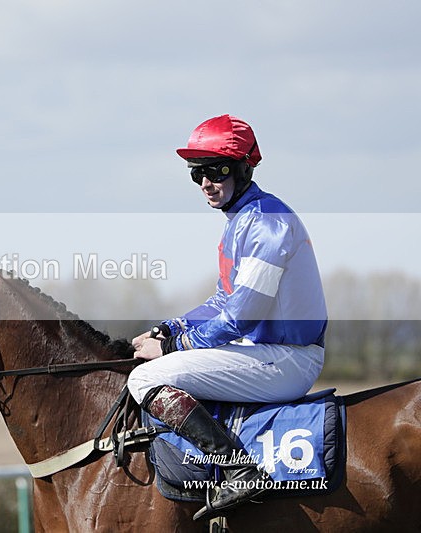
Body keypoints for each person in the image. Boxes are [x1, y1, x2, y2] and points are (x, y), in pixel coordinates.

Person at [128, 114, 327, 521]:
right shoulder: (243, 221)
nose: (205, 183)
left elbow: (241, 316)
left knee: (144, 378)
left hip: (287, 358)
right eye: (197, 173)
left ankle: (239, 467)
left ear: (242, 169)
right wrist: (174, 326)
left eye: (216, 171)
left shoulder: (267, 223)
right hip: (267, 350)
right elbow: (224, 300)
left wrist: (171, 346)